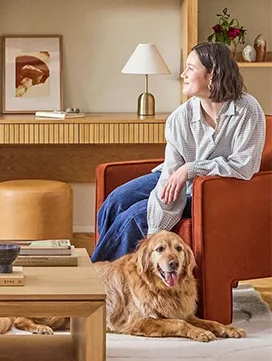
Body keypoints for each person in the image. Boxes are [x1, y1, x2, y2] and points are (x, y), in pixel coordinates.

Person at [91, 42, 266, 263]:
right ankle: (109, 275)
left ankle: (100, 281)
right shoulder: (179, 118)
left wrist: (192, 169)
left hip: (215, 189)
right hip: (176, 175)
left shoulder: (248, 110)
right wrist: (157, 229)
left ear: (212, 74)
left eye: (190, 68)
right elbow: (170, 176)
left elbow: (245, 166)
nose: (182, 74)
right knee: (117, 199)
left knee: (135, 216)